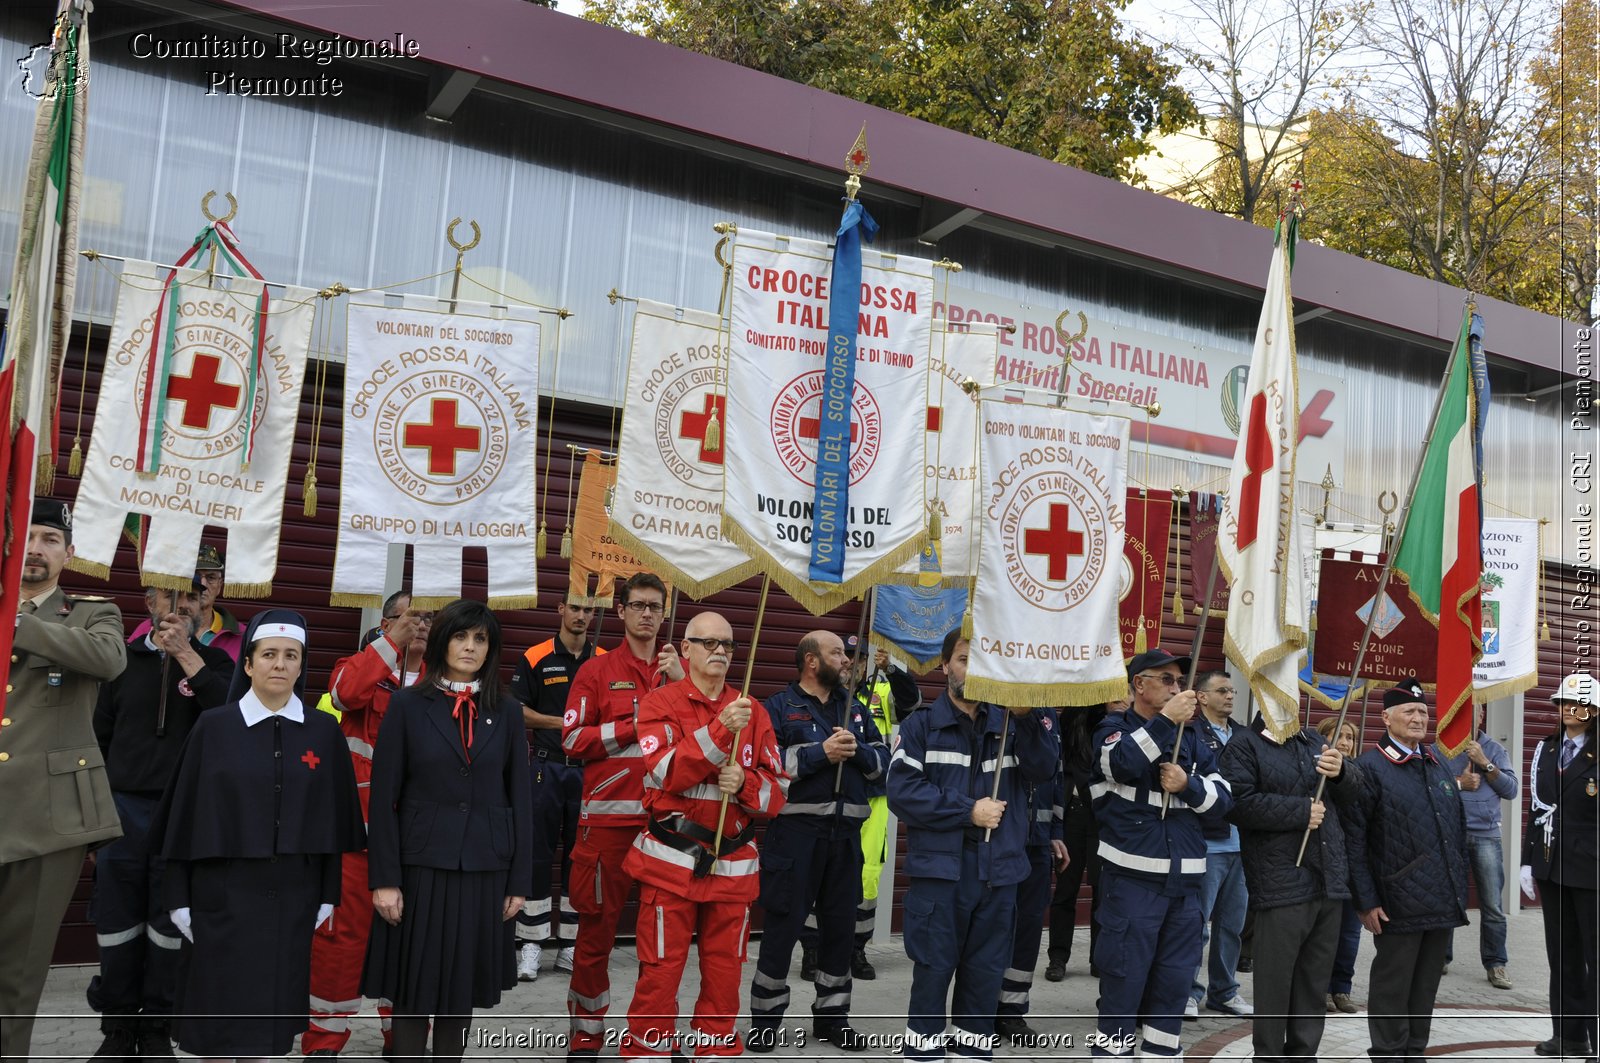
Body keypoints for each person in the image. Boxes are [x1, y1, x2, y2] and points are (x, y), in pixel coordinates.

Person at [152, 609, 364, 1060]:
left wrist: (327, 895)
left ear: (302, 665)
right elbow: (182, 822)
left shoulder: (323, 732)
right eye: (269, 654)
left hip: (291, 899)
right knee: (215, 1023)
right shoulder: (214, 728)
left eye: (291, 655)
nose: (280, 664)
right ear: (248, 664)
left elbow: (331, 826)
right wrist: (178, 897)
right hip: (220, 898)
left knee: (267, 1031)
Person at [363, 599, 531, 1061]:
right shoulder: (407, 705)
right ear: (442, 641)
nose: (470, 646)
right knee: (413, 990)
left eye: (480, 639)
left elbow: (520, 799)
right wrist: (385, 879)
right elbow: (383, 800)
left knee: (460, 992)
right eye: (461, 636)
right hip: (419, 869)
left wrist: (519, 881)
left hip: (484, 869)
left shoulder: (509, 712)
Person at [887, 628, 1059, 1063]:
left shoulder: (1012, 723)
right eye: (964, 659)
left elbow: (1044, 770)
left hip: (999, 875)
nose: (971, 669)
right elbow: (902, 792)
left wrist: (1024, 715)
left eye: (981, 660)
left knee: (983, 982)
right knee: (932, 978)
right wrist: (968, 811)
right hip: (940, 876)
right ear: (945, 666)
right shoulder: (922, 725)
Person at [622, 610, 786, 1059]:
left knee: (724, 974)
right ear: (686, 649)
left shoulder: (755, 711)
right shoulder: (660, 703)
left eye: (727, 645)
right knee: (659, 972)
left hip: (732, 868)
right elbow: (667, 772)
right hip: (670, 863)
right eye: (708, 643)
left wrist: (747, 785)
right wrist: (719, 730)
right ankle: (647, 1051)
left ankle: (714, 1051)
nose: (719, 652)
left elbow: (778, 793)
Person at [0, 499, 126, 1062]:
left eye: (50, 538)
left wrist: (18, 624)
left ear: (68, 554)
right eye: (27, 537)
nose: (36, 548)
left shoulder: (94, 614)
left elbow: (107, 661)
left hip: (48, 818)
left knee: (19, 975)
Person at [90, 583, 233, 1060]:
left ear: (205, 605)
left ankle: (156, 1027)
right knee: (117, 925)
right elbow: (97, 740)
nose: (180, 606)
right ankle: (117, 1028)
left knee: (169, 927)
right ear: (149, 602)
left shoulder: (218, 667)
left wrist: (188, 657)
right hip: (122, 812)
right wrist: (95, 817)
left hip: (184, 817)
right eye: (168, 596)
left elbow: (232, 721)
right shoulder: (120, 662)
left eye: (191, 597)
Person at [302, 590, 431, 1058]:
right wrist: (390, 643)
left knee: (410, 950)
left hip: (416, 846)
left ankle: (403, 1041)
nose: (420, 624)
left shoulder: (445, 684)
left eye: (428, 617)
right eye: (410, 616)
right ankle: (323, 1045)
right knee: (339, 946)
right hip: (356, 842)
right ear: (386, 622)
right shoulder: (357, 668)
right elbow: (344, 694)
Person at [560, 572, 684, 1057]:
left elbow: (715, 732)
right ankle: (586, 1036)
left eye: (656, 606)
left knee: (666, 942)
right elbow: (571, 740)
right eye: (639, 605)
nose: (648, 614)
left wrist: (682, 685)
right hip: (608, 830)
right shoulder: (595, 671)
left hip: (668, 827)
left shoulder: (683, 671)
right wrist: (635, 724)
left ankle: (653, 1035)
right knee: (596, 938)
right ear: (621, 610)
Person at [1089, 648, 1232, 1060]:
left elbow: (1224, 800)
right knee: (1123, 982)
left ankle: (1160, 1054)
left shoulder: (1195, 740)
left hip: (1186, 886)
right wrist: (1167, 719)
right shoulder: (1113, 728)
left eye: (1180, 682)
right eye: (1167, 680)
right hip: (1133, 883)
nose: (1178, 688)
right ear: (1140, 684)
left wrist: (1187, 785)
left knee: (1173, 985)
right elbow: (1120, 764)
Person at [748, 629, 886, 1052]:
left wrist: (858, 751)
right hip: (795, 839)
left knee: (840, 933)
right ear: (811, 661)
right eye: (837, 653)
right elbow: (767, 767)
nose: (846, 661)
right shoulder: (776, 708)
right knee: (782, 929)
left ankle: (833, 1019)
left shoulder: (855, 710)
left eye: (845, 655)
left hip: (845, 839)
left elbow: (884, 766)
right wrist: (818, 754)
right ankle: (766, 1021)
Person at [1221, 703, 1361, 1063]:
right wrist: (1299, 811)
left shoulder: (1315, 740)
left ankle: (1303, 1055)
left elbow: (1358, 796)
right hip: (1281, 880)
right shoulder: (1244, 744)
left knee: (1314, 984)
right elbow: (1237, 803)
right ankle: (1267, 1056)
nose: (1290, 701)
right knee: (1275, 984)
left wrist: (1343, 772)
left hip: (1328, 879)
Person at [1343, 679, 1469, 1063]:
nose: (1418, 719)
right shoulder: (1369, 767)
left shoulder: (1437, 762)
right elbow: (1355, 840)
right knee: (1392, 986)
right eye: (1409, 712)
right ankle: (1387, 1053)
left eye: (1423, 712)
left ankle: (1414, 1052)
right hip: (1396, 901)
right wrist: (1365, 901)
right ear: (1386, 718)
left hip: (1441, 899)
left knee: (1425, 986)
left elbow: (1455, 830)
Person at [798, 636, 921, 982]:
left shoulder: (880, 691)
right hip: (831, 794)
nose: (851, 662)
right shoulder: (823, 695)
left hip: (873, 797)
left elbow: (911, 703)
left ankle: (856, 947)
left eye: (859, 656)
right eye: (845, 655)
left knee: (867, 876)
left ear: (869, 661)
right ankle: (812, 949)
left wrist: (892, 671)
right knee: (816, 871)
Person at [510, 598, 601, 982]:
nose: (581, 616)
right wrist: (566, 723)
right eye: (575, 607)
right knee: (536, 855)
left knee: (581, 859)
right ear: (559, 608)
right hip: (546, 767)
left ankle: (569, 945)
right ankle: (530, 944)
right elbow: (515, 710)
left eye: (589, 610)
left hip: (590, 771)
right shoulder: (536, 656)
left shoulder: (605, 660)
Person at [1522, 672, 1598, 1059]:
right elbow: (1538, 809)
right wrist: (1526, 860)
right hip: (1553, 866)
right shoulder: (1546, 750)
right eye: (1565, 702)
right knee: (1564, 956)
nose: (1571, 709)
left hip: (1593, 871)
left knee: (1595, 958)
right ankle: (1568, 1036)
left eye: (1580, 702)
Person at [1435, 702, 1518, 990]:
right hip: (1450, 832)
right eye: (1464, 710)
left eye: (1476, 711)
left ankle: (1496, 963)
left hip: (1486, 836)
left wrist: (1485, 763)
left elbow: (1511, 790)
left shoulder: (1493, 748)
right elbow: (1428, 786)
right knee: (1447, 899)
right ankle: (1440, 958)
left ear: (1482, 716)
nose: (1471, 716)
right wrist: (1459, 781)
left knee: (1492, 904)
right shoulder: (1440, 747)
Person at [1186, 670, 1252, 1020]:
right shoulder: (1191, 733)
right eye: (1222, 690)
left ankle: (1224, 992)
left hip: (1243, 843)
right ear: (1201, 697)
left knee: (1232, 925)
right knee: (1197, 925)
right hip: (1209, 842)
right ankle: (1187, 991)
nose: (1230, 696)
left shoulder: (1244, 735)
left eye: (1232, 690)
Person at [993, 737, 1067, 1043]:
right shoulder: (994, 709)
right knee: (993, 927)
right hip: (999, 840)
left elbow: (1057, 777)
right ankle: (980, 1007)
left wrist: (1056, 832)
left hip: (1037, 845)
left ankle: (1012, 1011)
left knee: (1028, 929)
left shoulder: (1047, 717)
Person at [1045, 694, 1121, 982]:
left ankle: (1098, 959)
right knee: (1066, 888)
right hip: (1074, 813)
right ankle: (1057, 958)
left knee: (1103, 890)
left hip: (1104, 817)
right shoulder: (1074, 717)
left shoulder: (1121, 724)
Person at [1315, 716, 1363, 1014]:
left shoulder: (1359, 773)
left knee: (1349, 932)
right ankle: (1319, 988)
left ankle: (1341, 988)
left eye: (1349, 737)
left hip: (1353, 866)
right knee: (1323, 934)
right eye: (1338, 736)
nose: (1345, 742)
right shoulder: (1317, 772)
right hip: (1326, 863)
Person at [126, 545, 246, 662]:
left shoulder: (241, 634)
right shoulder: (149, 628)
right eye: (196, 576)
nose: (203, 584)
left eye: (211, 577)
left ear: (220, 585)